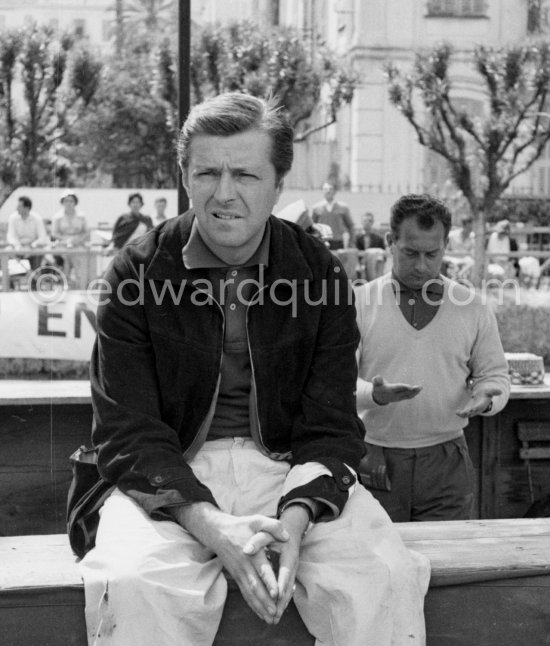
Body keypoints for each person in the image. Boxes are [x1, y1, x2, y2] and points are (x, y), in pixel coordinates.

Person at [77, 93, 430, 646]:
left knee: (384, 575)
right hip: (169, 475)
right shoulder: (137, 272)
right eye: (207, 172)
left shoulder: (319, 274)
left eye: (245, 173)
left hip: (290, 469)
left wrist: (295, 520)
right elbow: (127, 427)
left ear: (278, 183)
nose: (224, 193)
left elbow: (332, 424)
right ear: (185, 176)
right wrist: (210, 524)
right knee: (134, 583)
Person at [355, 194, 510, 522]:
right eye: (411, 253)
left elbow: (495, 376)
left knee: (448, 563)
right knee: (379, 567)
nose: (422, 265)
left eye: (432, 254)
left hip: (447, 461)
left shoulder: (473, 307)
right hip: (375, 458)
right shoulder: (357, 303)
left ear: (445, 246)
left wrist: (486, 398)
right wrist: (373, 394)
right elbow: (334, 383)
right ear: (390, 242)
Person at [51, 190, 89, 287]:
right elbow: (54, 233)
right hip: (62, 245)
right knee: (66, 260)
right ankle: (65, 283)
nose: (68, 203)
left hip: (78, 244)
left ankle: (80, 286)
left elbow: (85, 232)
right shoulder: (57, 216)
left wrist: (77, 241)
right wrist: (65, 241)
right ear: (62, 202)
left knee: (79, 263)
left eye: (71, 201)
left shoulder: (81, 216)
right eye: (66, 201)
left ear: (75, 202)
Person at [6, 195, 49, 273]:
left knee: (37, 255)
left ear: (27, 208)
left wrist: (32, 246)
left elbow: (42, 237)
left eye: (19, 206)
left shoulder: (37, 218)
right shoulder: (13, 218)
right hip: (17, 248)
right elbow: (10, 236)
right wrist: (18, 246)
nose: (17, 208)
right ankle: (9, 282)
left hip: (33, 249)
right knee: (5, 254)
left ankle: (34, 282)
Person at [311, 181, 354, 250]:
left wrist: (351, 243)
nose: (328, 191)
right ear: (322, 191)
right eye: (325, 189)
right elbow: (312, 227)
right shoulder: (316, 208)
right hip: (322, 242)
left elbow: (351, 226)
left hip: (338, 242)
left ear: (335, 191)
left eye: (330, 189)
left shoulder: (343, 207)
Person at [354, 211, 386, 281]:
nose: (367, 222)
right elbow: (354, 253)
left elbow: (384, 255)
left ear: (372, 222)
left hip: (374, 265)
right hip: (360, 263)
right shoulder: (355, 238)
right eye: (365, 220)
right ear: (361, 222)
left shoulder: (379, 238)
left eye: (369, 221)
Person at [443, 215, 475, 281]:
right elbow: (445, 251)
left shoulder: (473, 237)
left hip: (465, 260)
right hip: (452, 259)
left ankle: (459, 276)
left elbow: (472, 254)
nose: (470, 230)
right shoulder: (452, 235)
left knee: (472, 262)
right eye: (469, 227)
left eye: (471, 228)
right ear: (464, 226)